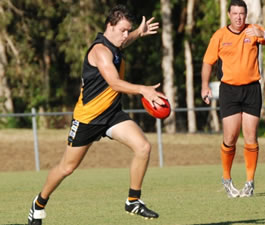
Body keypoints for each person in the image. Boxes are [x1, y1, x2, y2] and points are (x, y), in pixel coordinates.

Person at [28, 5, 166, 224]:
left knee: (143, 147)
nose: (125, 35)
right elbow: (115, 83)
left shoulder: (116, 44)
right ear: (109, 26)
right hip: (88, 119)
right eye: (122, 30)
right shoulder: (100, 51)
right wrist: (143, 89)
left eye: (127, 30)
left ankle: (133, 200)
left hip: (111, 115)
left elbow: (126, 41)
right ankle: (39, 203)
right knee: (67, 167)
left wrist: (139, 32)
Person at [201, 0, 265, 198]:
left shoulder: (254, 31)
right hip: (229, 90)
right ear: (229, 14)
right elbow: (207, 62)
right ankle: (227, 180)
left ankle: (249, 183)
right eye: (235, 13)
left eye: (242, 14)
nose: (239, 17)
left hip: (252, 90)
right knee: (230, 138)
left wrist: (264, 35)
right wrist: (204, 86)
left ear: (246, 15)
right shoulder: (220, 35)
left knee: (250, 137)